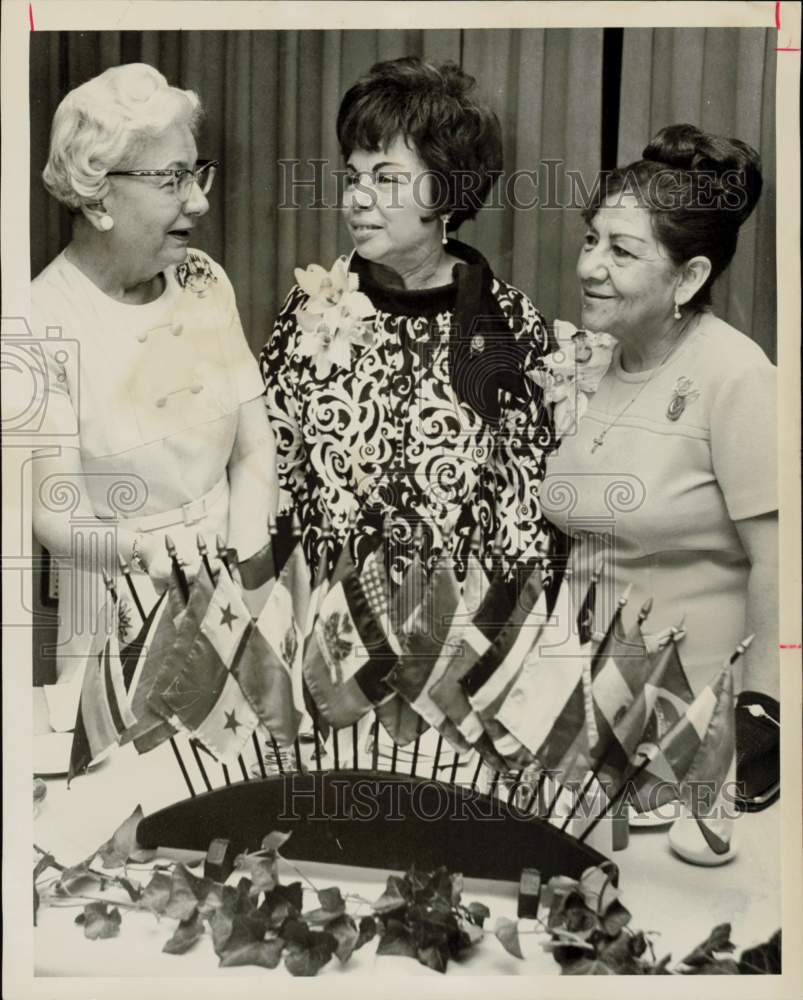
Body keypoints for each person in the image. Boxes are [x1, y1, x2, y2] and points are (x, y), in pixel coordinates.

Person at [31, 63, 277, 728]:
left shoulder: (203, 281)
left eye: (199, 173)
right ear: (97, 195)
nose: (198, 201)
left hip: (233, 599)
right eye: (173, 179)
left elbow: (255, 448)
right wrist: (147, 556)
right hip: (117, 621)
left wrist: (242, 580)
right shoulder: (37, 323)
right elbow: (53, 515)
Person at [541, 124, 778, 815]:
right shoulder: (598, 358)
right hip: (582, 713)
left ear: (689, 276)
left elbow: (778, 563)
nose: (589, 266)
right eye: (590, 240)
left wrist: (757, 724)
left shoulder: (736, 376)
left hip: (689, 727)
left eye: (621, 251)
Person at [261, 56, 554, 590]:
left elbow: (521, 508)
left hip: (457, 636)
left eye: (387, 179)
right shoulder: (306, 309)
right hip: (328, 625)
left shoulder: (509, 323)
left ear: (445, 193)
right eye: (353, 178)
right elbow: (276, 475)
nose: (358, 199)